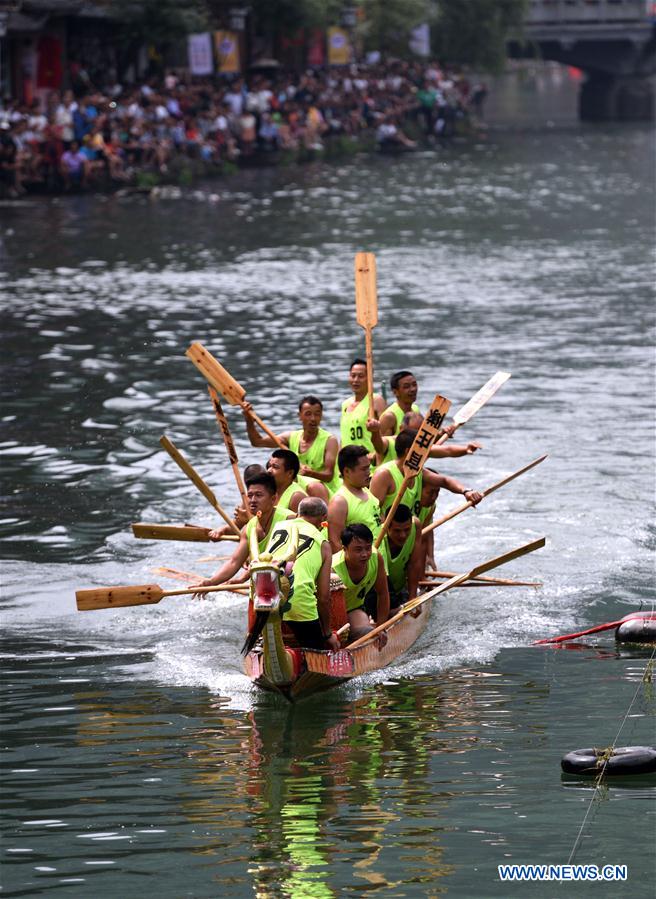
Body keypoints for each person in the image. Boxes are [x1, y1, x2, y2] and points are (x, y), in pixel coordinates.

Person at [192, 472, 293, 589]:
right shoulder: (249, 528)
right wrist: (210, 582)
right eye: (250, 495)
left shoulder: (290, 520)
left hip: (288, 584)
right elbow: (234, 562)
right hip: (263, 587)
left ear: (273, 499)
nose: (253, 500)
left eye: (258, 495)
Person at [263, 497, 339, 651]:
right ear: (323, 519)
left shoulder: (279, 526)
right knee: (318, 652)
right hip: (297, 600)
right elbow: (323, 597)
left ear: (298, 514)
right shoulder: (324, 544)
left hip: (263, 596)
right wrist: (327, 634)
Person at [242, 396, 338, 497]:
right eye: (308, 414)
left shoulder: (330, 441)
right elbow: (257, 442)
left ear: (321, 416)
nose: (313, 419)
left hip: (324, 493)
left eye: (317, 414)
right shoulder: (290, 437)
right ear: (299, 416)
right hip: (299, 492)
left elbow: (329, 476)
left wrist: (310, 473)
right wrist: (249, 420)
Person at [332, 524, 390, 640]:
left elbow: (383, 593)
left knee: (369, 633)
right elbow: (323, 604)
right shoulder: (333, 569)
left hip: (354, 609)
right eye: (358, 550)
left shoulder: (376, 557)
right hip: (331, 615)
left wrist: (380, 628)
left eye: (368, 548)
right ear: (344, 549)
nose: (364, 554)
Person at [327, 444, 382, 553]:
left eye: (369, 467)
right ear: (347, 471)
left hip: (379, 559)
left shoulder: (366, 491)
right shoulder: (339, 502)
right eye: (364, 469)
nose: (369, 473)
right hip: (362, 562)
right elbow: (335, 543)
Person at [339, 358, 386, 460]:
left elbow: (386, 434)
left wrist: (374, 456)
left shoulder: (375, 400)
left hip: (368, 463)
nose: (356, 380)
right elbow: (343, 438)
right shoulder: (345, 404)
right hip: (348, 463)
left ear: (369, 378)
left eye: (361, 376)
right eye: (353, 376)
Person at [382, 504, 424, 610]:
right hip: (382, 593)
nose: (403, 535)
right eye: (397, 531)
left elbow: (414, 564)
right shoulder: (378, 538)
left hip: (400, 589)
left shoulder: (416, 525)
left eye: (407, 530)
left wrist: (412, 598)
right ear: (386, 528)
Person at [379, 370, 421, 437]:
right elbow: (381, 443)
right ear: (395, 392)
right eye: (406, 386)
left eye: (414, 384)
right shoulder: (389, 417)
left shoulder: (415, 409)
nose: (413, 389)